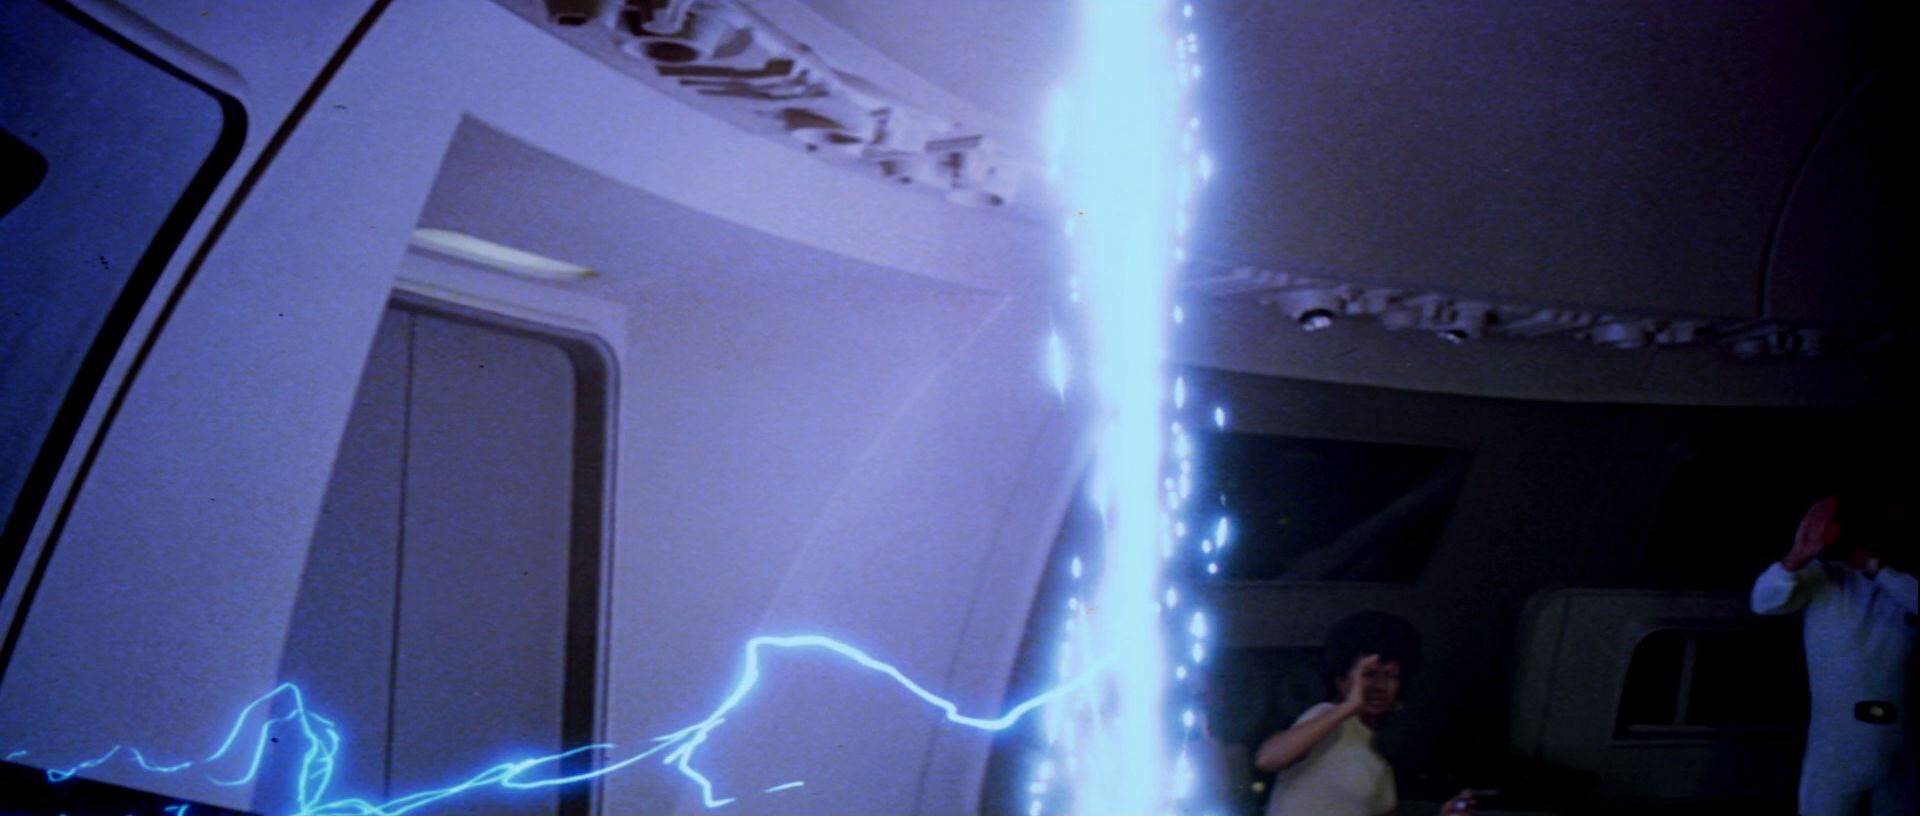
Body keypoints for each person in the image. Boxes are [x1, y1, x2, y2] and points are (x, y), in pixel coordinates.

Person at [1751, 495, 1917, 816]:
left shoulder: (1901, 583)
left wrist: (1874, 567)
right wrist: (1797, 557)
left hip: (1900, 746)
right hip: (1835, 748)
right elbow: (1763, 602)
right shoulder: (1822, 576)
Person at [1254, 611, 1475, 816]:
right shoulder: (1327, 717)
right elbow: (1268, 759)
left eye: (1390, 676)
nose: (1380, 687)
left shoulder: (1377, 762)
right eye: (1369, 675)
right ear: (1343, 680)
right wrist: (1350, 705)